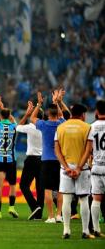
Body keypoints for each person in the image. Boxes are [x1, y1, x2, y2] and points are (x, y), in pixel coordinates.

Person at [55, 103, 93, 239]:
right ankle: (85, 231)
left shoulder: (60, 127)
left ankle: (66, 231)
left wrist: (66, 167)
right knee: (83, 199)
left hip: (65, 168)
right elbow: (89, 149)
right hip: (82, 168)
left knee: (66, 199)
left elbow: (57, 150)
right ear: (83, 114)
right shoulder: (87, 127)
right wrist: (78, 168)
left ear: (71, 113)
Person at [31, 90, 67, 223]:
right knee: (60, 189)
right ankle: (59, 215)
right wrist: (56, 102)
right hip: (59, 161)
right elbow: (62, 114)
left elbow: (32, 118)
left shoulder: (43, 124)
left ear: (47, 114)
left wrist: (39, 104)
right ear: (57, 114)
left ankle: (50, 216)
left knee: (47, 189)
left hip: (46, 160)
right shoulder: (62, 124)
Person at [0, 95, 18, 219]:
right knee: (12, 186)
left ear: (0, 116)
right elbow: (12, 120)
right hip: (11, 160)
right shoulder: (13, 127)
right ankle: (11, 207)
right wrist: (6, 110)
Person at [81, 100, 105, 238]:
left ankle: (96, 229)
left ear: (96, 111)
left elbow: (88, 149)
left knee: (96, 199)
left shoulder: (91, 127)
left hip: (96, 167)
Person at [17, 101, 44, 220]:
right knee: (40, 187)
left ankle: (34, 206)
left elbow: (18, 127)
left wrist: (26, 115)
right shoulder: (46, 127)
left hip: (32, 159)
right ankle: (39, 213)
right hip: (43, 160)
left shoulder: (30, 127)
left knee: (23, 185)